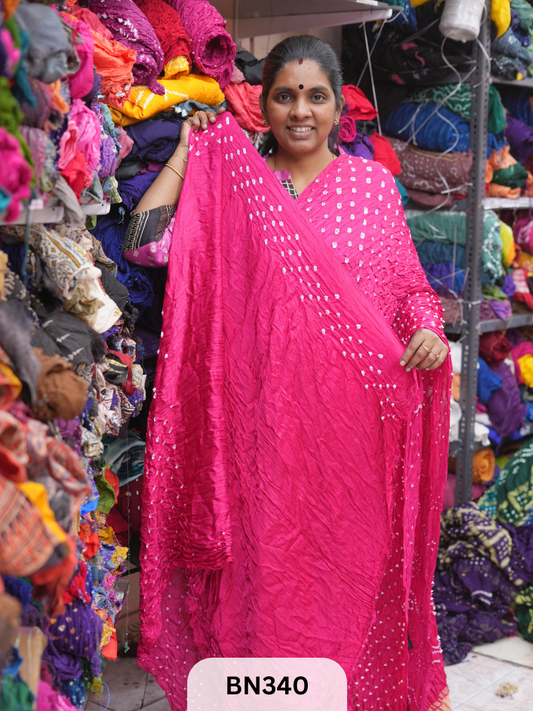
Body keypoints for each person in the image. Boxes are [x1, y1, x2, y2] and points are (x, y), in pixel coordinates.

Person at [136, 35, 452, 711]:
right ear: (264, 104)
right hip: (257, 428)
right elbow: (144, 242)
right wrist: (188, 153)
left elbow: (410, 292)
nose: (299, 111)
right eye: (284, 95)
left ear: (339, 108)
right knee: (260, 577)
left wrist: (428, 329)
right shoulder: (239, 186)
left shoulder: (371, 189)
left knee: (340, 570)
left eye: (315, 97)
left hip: (347, 432)